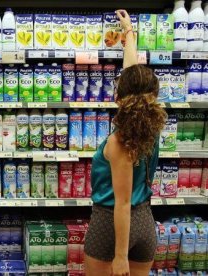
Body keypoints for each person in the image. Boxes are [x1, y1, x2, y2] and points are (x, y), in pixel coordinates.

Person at [84, 10, 168, 276]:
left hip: (111, 225)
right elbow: (134, 76)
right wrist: (128, 32)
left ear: (120, 97)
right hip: (145, 221)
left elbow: (122, 203)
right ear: (152, 96)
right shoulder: (150, 127)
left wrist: (120, 256)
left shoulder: (120, 140)